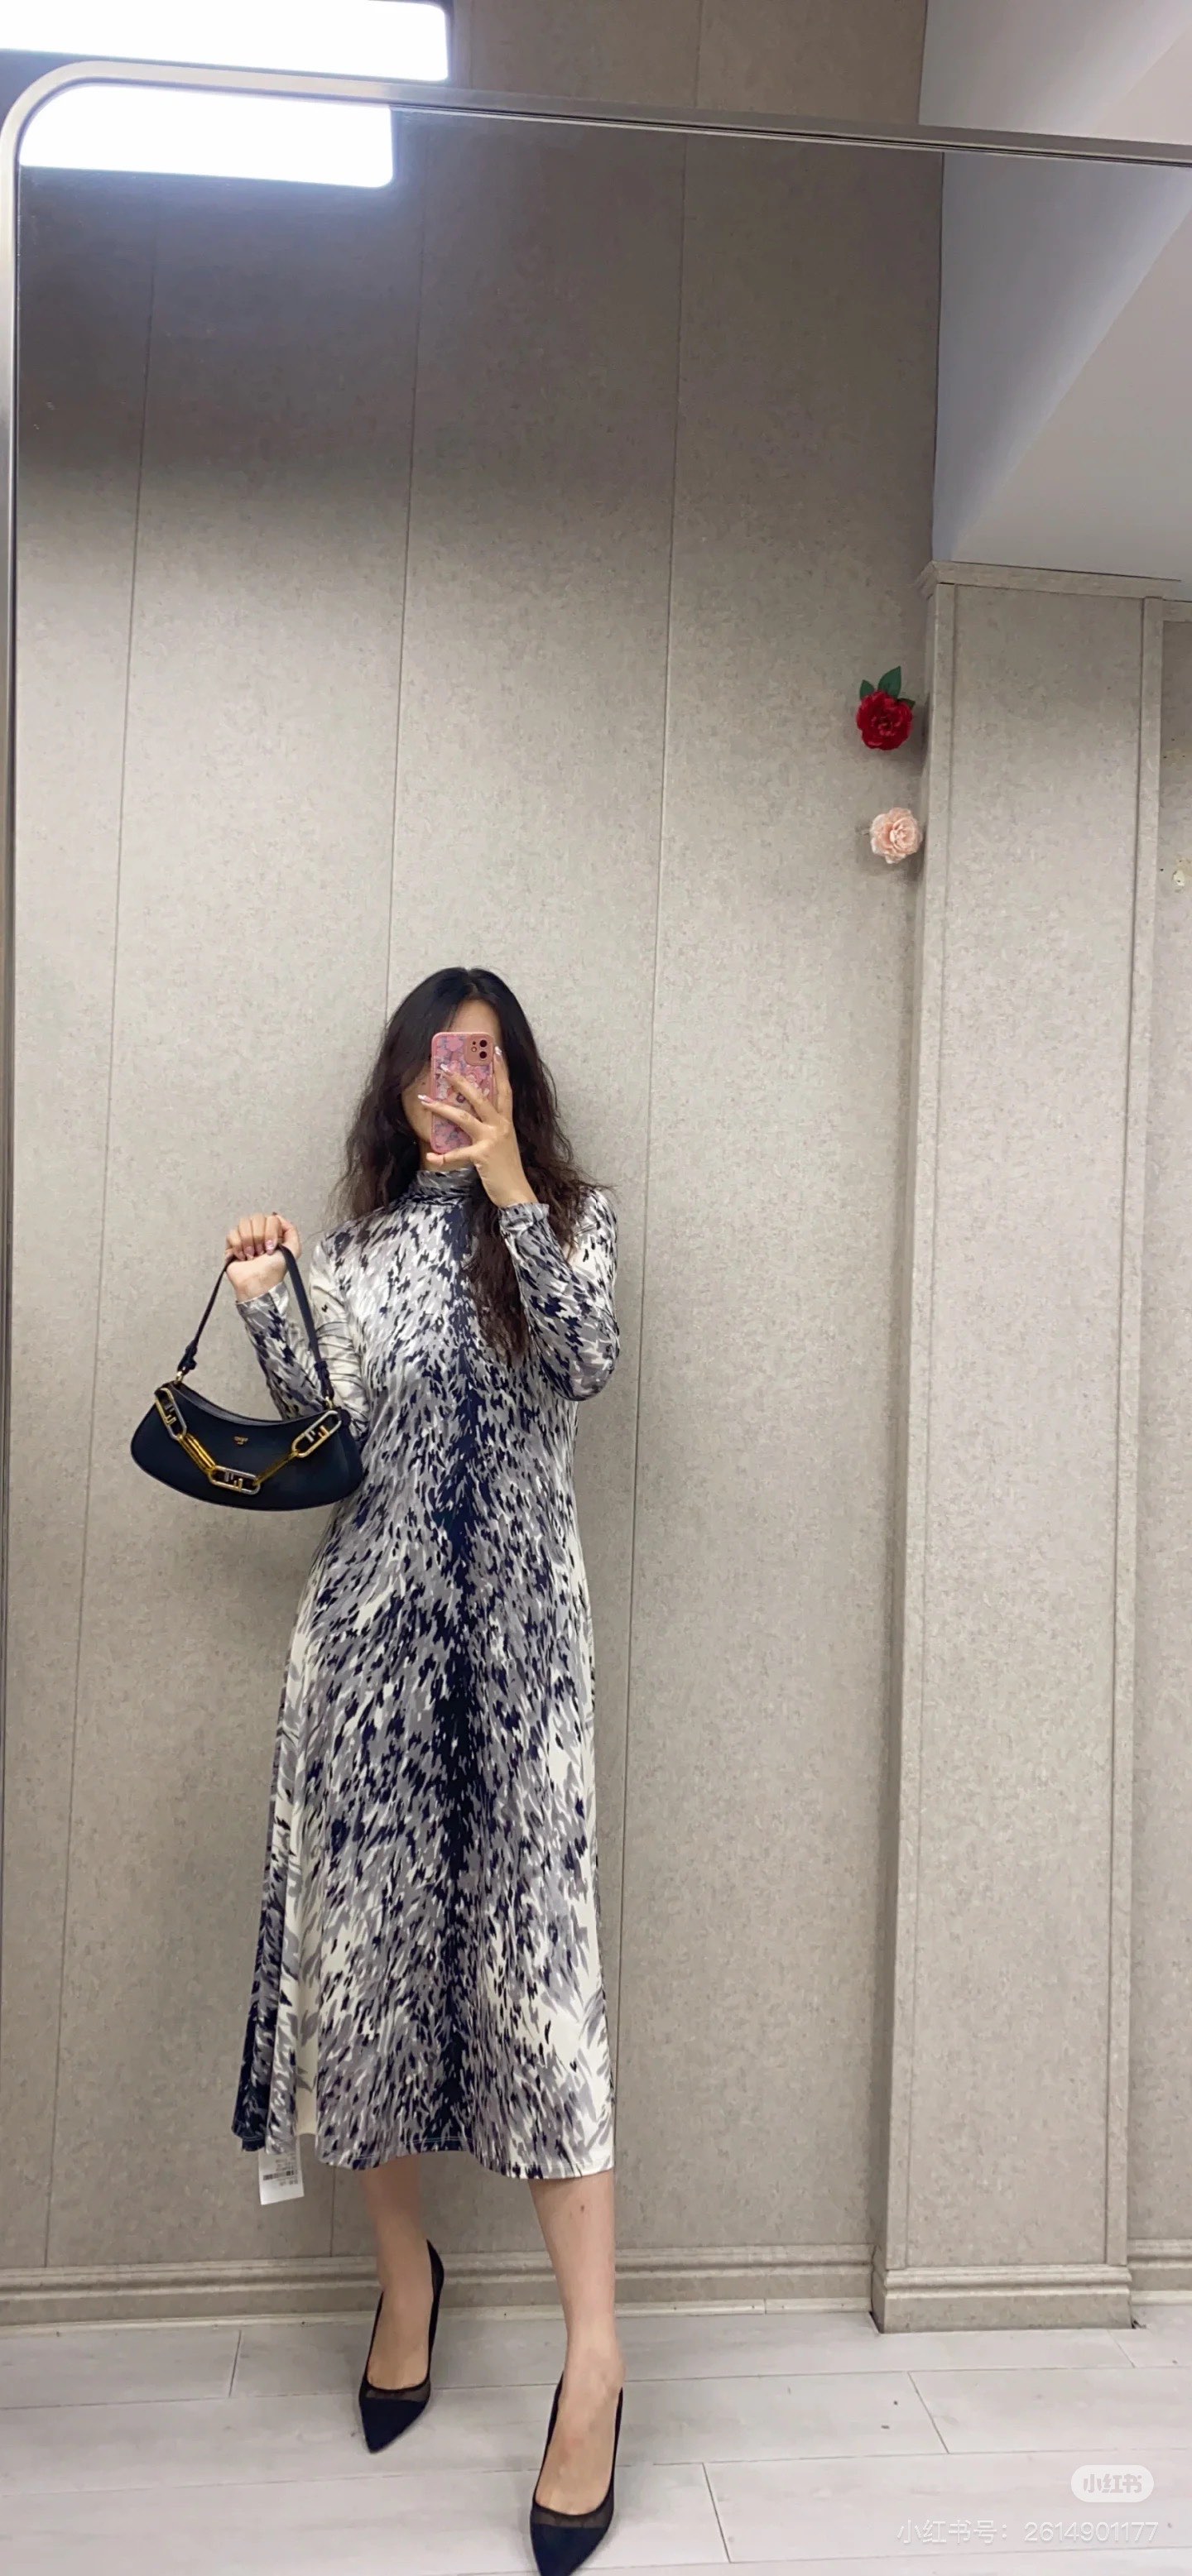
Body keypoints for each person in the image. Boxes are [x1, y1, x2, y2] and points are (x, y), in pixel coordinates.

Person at [225, 965, 624, 2571]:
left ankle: (595, 2363)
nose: (456, 1083)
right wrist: (268, 1296)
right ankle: (407, 2282)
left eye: (485, 1060)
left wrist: (515, 1185)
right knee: (373, 1998)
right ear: (397, 1084)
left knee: (548, 2013)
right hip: (371, 1661)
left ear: (514, 1077)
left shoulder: (574, 1222)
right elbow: (322, 1435)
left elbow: (583, 1362)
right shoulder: (358, 1254)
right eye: (435, 1063)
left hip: (523, 1676)